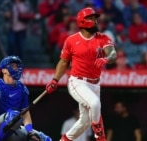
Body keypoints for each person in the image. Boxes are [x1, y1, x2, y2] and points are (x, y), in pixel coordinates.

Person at [45, 7, 117, 141]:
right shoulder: (71, 40)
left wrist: (106, 58)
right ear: (83, 21)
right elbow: (63, 62)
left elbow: (113, 54)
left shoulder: (103, 38)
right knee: (95, 104)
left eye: (95, 18)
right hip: (78, 82)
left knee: (85, 122)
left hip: (95, 84)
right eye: (92, 18)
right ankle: (100, 136)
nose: (95, 21)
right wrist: (55, 80)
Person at [0, 56, 51, 141]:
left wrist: (30, 132)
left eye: (17, 66)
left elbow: (25, 114)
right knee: (13, 115)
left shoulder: (22, 89)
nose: (16, 68)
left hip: (12, 127)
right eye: (12, 65)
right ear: (3, 70)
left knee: (44, 139)